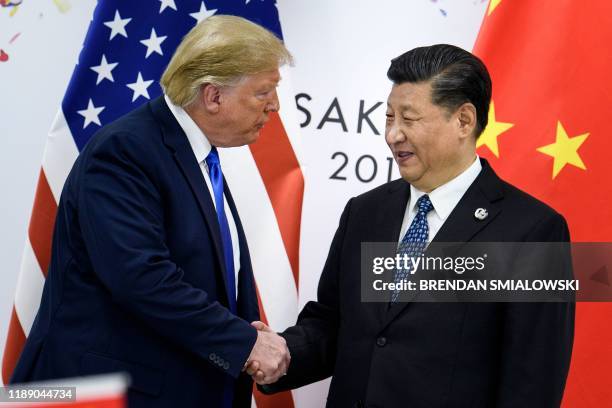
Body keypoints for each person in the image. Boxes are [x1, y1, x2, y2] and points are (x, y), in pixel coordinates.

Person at [254, 44, 575, 407]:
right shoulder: (365, 212)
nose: (393, 135)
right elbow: (333, 325)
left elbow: (532, 383)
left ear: (464, 121)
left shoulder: (533, 232)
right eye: (389, 117)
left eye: (409, 119)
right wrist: (280, 353)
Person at [10, 15, 291, 408]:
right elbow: (140, 277)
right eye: (264, 92)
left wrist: (245, 337)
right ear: (213, 96)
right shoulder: (126, 150)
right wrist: (244, 343)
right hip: (104, 395)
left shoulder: (195, 157)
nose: (274, 106)